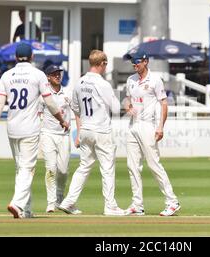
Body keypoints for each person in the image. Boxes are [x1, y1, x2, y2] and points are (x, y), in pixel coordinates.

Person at [0, 43, 69, 219]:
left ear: (16, 57)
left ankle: (26, 210)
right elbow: (50, 101)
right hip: (29, 129)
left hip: (12, 128)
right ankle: (17, 203)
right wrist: (61, 120)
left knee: (20, 168)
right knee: (27, 169)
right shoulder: (38, 75)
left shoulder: (6, 75)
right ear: (32, 57)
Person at [57, 49, 124, 216]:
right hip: (101, 130)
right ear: (101, 64)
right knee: (107, 168)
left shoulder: (79, 82)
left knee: (83, 167)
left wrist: (79, 130)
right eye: (105, 64)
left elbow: (76, 108)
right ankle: (110, 206)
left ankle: (69, 201)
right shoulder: (103, 84)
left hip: (85, 129)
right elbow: (116, 108)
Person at [123, 50, 180, 216]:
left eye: (138, 61)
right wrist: (127, 106)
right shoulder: (130, 80)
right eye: (133, 62)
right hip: (133, 125)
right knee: (132, 166)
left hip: (149, 126)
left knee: (154, 165)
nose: (135, 64)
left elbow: (164, 104)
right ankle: (137, 204)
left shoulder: (155, 80)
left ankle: (172, 201)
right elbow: (127, 99)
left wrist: (160, 127)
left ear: (146, 61)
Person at [38, 65, 72, 213]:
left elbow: (76, 111)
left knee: (63, 170)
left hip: (64, 135)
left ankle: (59, 197)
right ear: (48, 77)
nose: (58, 76)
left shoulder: (68, 92)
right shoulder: (43, 95)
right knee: (51, 168)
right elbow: (38, 115)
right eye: (54, 74)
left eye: (59, 73)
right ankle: (51, 202)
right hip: (48, 134)